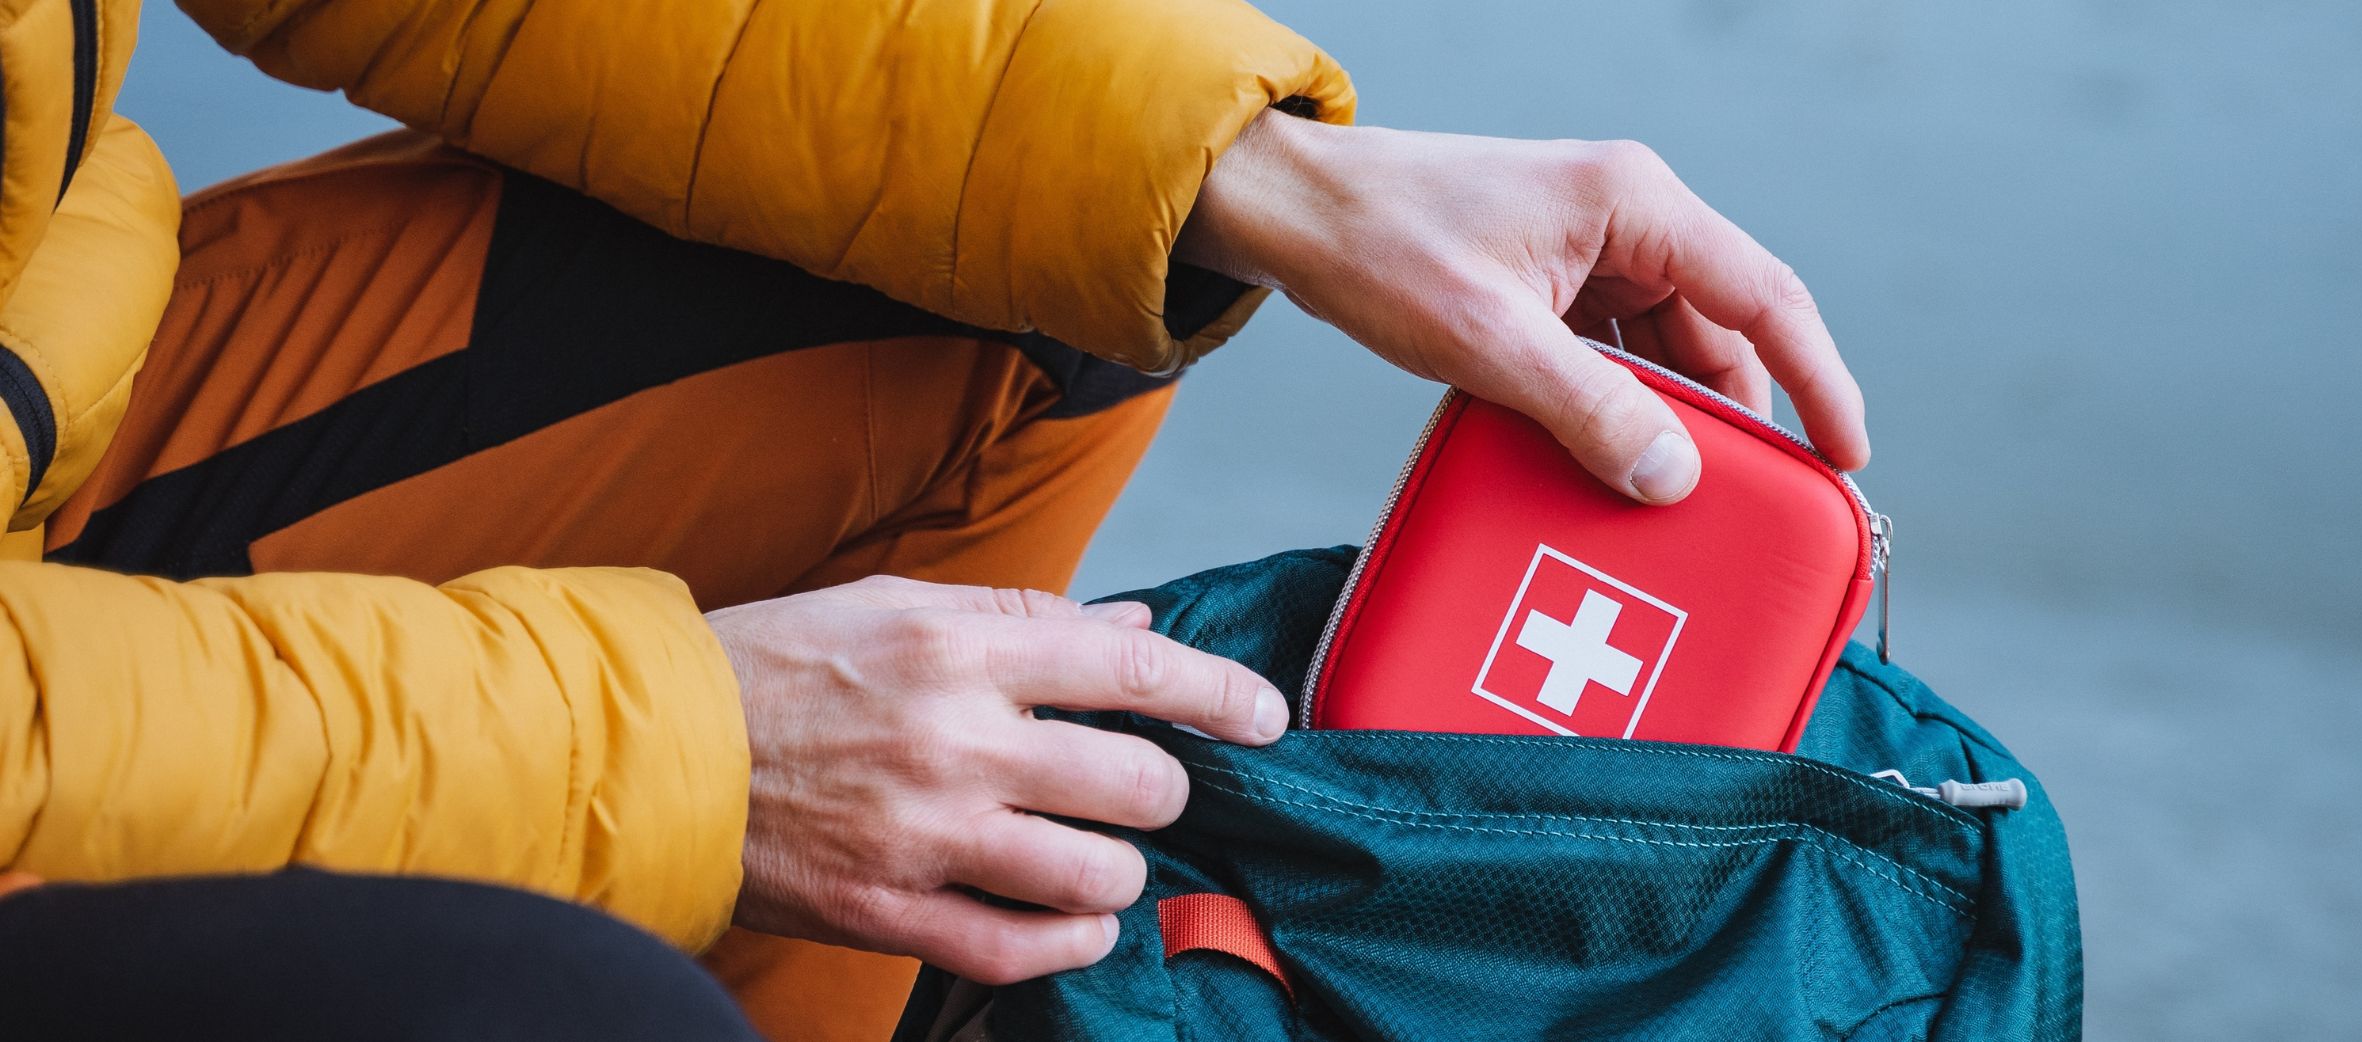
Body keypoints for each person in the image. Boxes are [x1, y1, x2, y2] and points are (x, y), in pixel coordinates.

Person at [0, 1, 1869, 1039]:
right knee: (557, 1016)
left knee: (1029, 287)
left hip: (65, 406)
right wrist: (686, 741)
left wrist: (1246, 167)